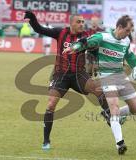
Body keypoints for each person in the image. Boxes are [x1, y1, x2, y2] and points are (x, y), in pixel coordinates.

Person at [23, 11, 110, 150]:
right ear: (71, 23)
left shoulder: (86, 36)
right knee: (51, 105)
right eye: (79, 22)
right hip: (61, 75)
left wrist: (94, 63)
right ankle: (46, 141)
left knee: (99, 90)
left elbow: (95, 49)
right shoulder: (60, 32)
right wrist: (33, 19)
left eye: (83, 22)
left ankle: (109, 116)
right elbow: (40, 29)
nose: (82, 24)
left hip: (78, 75)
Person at [65, 15, 136, 155]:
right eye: (127, 30)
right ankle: (120, 143)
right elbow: (86, 42)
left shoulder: (126, 41)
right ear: (119, 27)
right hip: (106, 77)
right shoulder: (103, 37)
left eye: (130, 31)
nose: (128, 33)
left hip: (120, 77)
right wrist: (74, 47)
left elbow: (130, 56)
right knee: (114, 107)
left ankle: (112, 115)